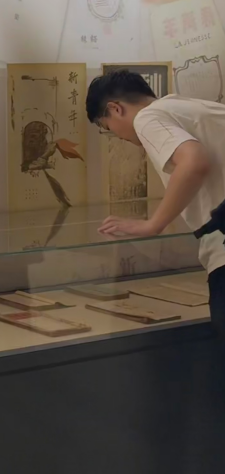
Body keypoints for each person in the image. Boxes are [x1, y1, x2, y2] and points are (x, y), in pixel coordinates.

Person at [85, 70, 225, 339]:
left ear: (115, 109)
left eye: (107, 127)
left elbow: (194, 162)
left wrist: (152, 224)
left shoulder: (147, 117)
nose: (117, 135)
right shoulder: (190, 108)